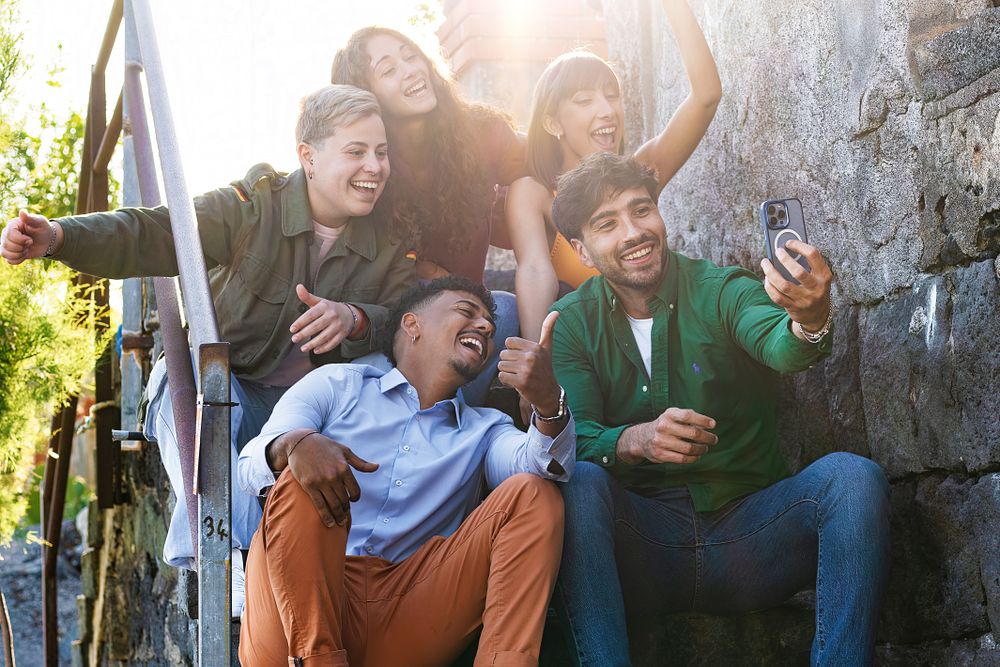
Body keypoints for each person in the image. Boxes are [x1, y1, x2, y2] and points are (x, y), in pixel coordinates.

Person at [1, 85, 415, 613]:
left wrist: (355, 318)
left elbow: (405, 321)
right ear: (308, 157)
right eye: (356, 151)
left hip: (307, 412)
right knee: (199, 387)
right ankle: (221, 556)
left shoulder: (391, 239)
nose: (375, 166)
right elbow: (154, 232)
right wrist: (61, 238)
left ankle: (284, 561)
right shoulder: (253, 208)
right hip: (230, 391)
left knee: (377, 377)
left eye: (381, 152)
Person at [548, 153, 890, 666]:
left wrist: (810, 317)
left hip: (753, 542)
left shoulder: (720, 288)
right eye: (607, 224)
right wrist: (633, 440)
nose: (634, 232)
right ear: (582, 250)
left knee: (853, 478)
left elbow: (781, 343)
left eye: (642, 211)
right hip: (644, 550)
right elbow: (571, 440)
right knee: (577, 484)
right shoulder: (572, 323)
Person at [236, 276, 575, 666]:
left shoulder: (486, 429)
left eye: (490, 326)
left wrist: (549, 401)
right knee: (301, 471)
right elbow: (249, 466)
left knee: (537, 495)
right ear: (412, 325)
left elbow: (546, 465)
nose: (484, 326)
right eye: (467, 312)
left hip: (409, 610)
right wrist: (295, 445)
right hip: (298, 610)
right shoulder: (338, 385)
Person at [330, 26, 528, 406]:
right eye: (388, 70)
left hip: (471, 316)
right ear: (366, 97)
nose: (410, 70)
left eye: (411, 56)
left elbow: (544, 166)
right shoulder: (366, 167)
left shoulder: (479, 133)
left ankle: (452, 428)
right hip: (394, 326)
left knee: (503, 308)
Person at [507, 0, 722, 347]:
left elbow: (707, 96)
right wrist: (537, 360)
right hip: (591, 347)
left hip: (663, 335)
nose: (607, 111)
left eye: (612, 96)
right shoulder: (533, 192)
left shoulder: (639, 171)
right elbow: (534, 271)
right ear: (552, 122)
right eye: (584, 100)